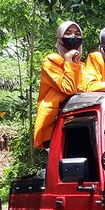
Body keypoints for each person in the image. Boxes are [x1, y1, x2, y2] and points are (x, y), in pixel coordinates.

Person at [33, 21, 85, 149]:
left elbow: (88, 87)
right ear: (60, 38)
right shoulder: (50, 61)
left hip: (80, 121)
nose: (73, 37)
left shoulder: (82, 66)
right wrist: (68, 61)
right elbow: (69, 88)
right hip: (55, 123)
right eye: (68, 33)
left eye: (77, 34)